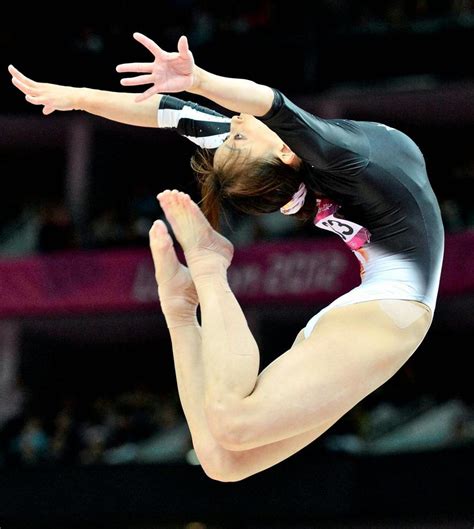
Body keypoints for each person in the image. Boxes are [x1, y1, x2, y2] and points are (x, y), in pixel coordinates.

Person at [8, 32, 444, 481]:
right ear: (282, 150)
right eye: (236, 133)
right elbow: (270, 104)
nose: (233, 121)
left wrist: (81, 96)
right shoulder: (338, 156)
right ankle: (203, 273)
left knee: (224, 459)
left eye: (232, 133)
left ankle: (185, 302)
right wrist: (198, 79)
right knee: (228, 442)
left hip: (380, 313)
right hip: (389, 310)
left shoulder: (310, 157)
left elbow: (173, 113)